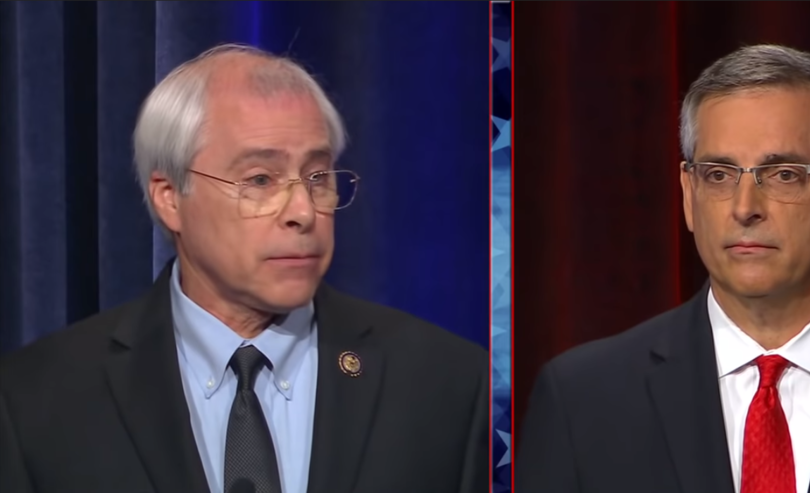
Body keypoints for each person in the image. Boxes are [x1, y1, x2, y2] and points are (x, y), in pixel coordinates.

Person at [0, 44, 488, 493]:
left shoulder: (448, 384)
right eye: (260, 179)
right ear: (170, 198)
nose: (303, 210)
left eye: (318, 177)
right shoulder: (36, 400)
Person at [516, 44, 810, 493]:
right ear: (689, 195)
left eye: (783, 174)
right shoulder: (582, 401)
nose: (745, 207)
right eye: (719, 175)